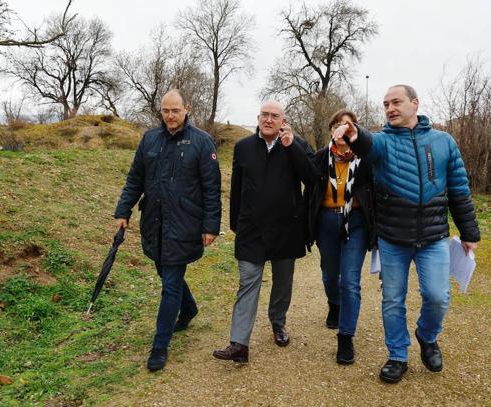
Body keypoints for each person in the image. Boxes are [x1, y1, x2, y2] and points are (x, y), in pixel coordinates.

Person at [333, 85, 480, 383]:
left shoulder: (444, 142)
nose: (390, 109)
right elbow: (366, 143)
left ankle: (427, 336)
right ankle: (397, 355)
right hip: (392, 238)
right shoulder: (383, 142)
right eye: (386, 104)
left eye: (396, 102)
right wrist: (352, 131)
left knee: (438, 296)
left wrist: (469, 231)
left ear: (415, 103)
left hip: (434, 237)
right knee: (392, 300)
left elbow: (460, 190)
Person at [114, 89, 221, 371]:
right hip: (154, 221)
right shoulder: (150, 139)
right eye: (165, 111)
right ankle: (189, 308)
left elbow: (212, 190)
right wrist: (123, 210)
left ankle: (160, 346)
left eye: (175, 110)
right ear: (160, 112)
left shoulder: (201, 142)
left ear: (186, 108)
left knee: (171, 282)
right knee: (164, 270)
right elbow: (135, 178)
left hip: (185, 222)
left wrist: (211, 226)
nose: (170, 116)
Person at [212, 101, 316, 363]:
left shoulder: (296, 145)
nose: (268, 120)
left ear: (284, 121)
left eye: (275, 116)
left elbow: (313, 178)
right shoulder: (244, 147)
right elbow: (237, 188)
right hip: (251, 230)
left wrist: (291, 147)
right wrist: (236, 223)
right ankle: (239, 343)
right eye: (264, 115)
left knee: (282, 284)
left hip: (286, 229)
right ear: (258, 118)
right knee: (247, 284)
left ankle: (278, 323)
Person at [306, 109, 376, 365]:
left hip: (356, 222)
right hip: (326, 220)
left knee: (350, 280)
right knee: (329, 273)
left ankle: (346, 336)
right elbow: (308, 191)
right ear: (331, 131)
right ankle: (334, 304)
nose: (342, 131)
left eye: (348, 126)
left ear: (354, 131)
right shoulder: (320, 158)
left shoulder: (366, 159)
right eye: (337, 125)